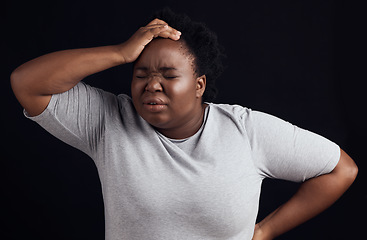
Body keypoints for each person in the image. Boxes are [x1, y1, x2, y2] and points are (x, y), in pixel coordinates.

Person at [11, 8, 357, 240]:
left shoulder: (246, 131)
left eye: (168, 74)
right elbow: (27, 83)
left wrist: (264, 231)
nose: (152, 84)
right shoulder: (110, 122)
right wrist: (120, 52)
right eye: (141, 73)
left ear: (199, 84)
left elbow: (341, 170)